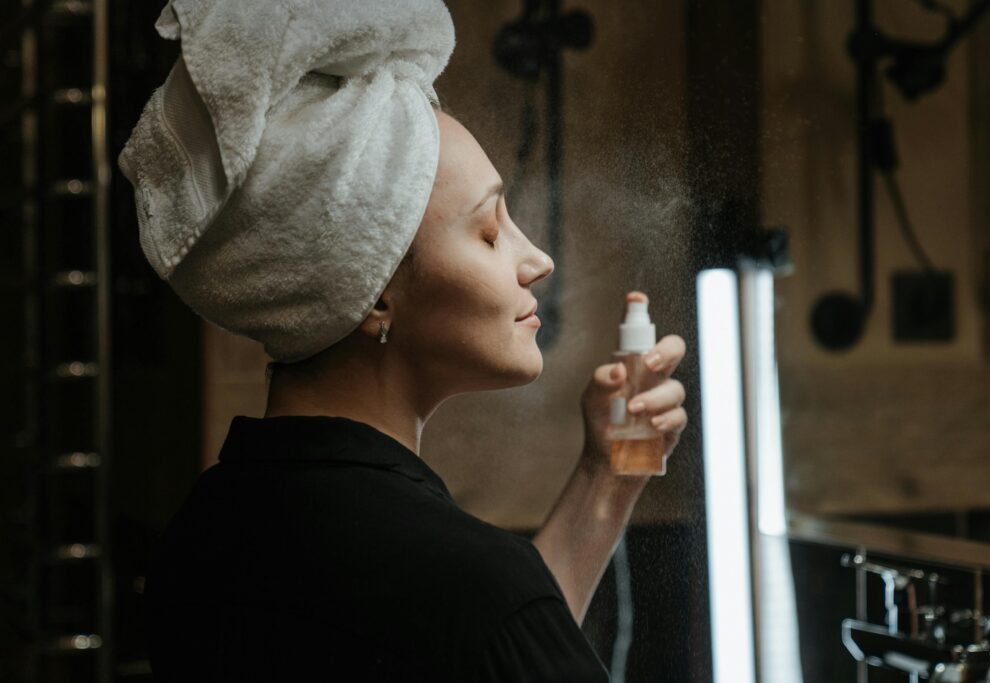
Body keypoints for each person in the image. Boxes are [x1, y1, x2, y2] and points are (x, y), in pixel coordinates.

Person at [120, 2, 687, 680]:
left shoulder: (202, 534)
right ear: (375, 288)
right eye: (488, 231)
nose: (536, 259)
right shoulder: (470, 588)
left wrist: (609, 475)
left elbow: (479, 644)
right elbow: (489, 623)